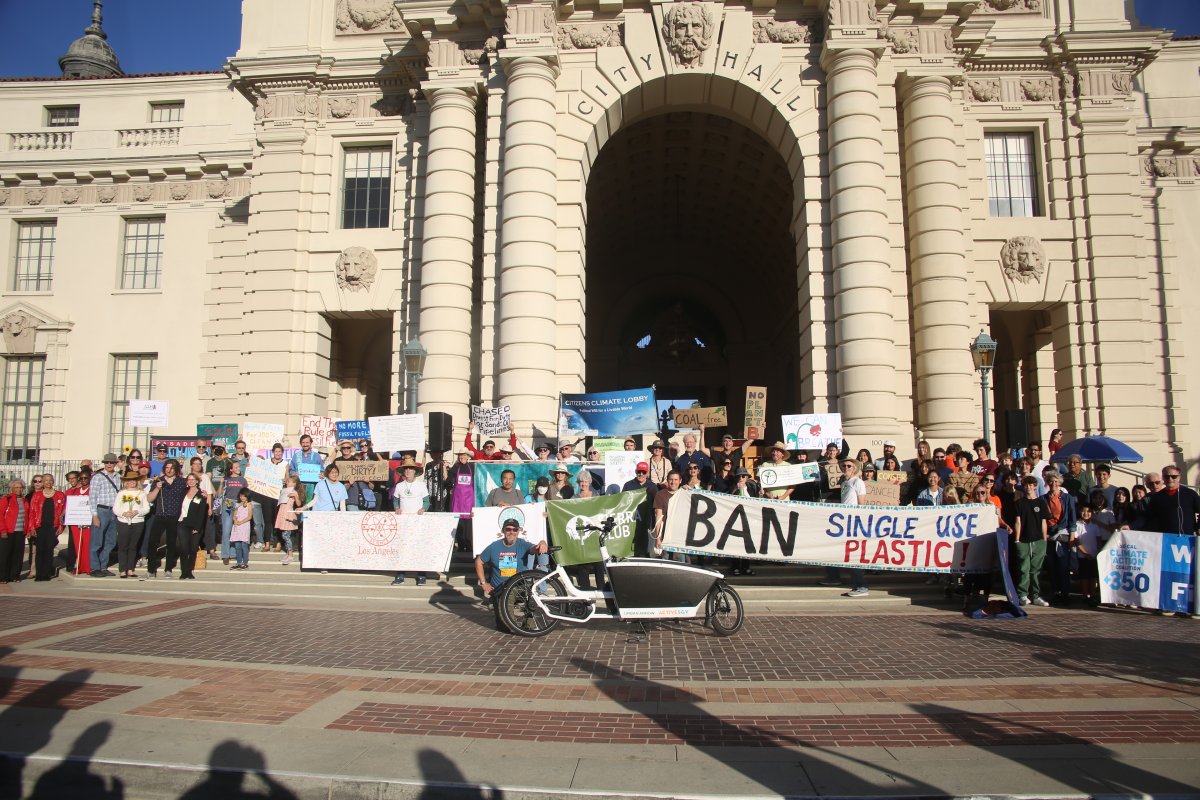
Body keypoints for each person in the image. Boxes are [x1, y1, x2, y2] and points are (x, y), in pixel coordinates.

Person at [475, 518, 549, 631]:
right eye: (508, 529)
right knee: (503, 627)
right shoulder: (494, 547)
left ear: (518, 531)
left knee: (513, 596)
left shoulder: (522, 544)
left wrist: (542, 543)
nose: (511, 532)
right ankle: (509, 623)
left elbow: (534, 549)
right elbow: (479, 561)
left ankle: (526, 624)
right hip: (499, 588)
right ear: (503, 530)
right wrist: (484, 583)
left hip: (519, 585)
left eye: (515, 529)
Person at [391, 458, 431, 586]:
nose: (408, 471)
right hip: (403, 522)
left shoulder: (421, 485)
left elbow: (427, 501)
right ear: (403, 471)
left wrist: (423, 508)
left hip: (417, 522)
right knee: (402, 548)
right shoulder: (399, 486)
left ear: (415, 471)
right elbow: (395, 500)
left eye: (410, 468)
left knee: (418, 548)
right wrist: (396, 508)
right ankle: (400, 574)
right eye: (406, 469)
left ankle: (421, 575)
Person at [146, 459, 188, 578]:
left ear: (176, 470)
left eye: (172, 468)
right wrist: (157, 488)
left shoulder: (181, 482)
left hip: (174, 516)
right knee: (152, 542)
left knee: (171, 543)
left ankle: (168, 568)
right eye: (167, 468)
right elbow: (149, 499)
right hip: (160, 515)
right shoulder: (158, 481)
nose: (169, 470)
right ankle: (151, 569)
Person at [1013, 475, 1050, 607]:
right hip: (1023, 540)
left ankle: (1036, 595)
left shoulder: (1041, 502)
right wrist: (1017, 540)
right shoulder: (1019, 503)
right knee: (1024, 569)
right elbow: (1018, 522)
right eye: (1026, 485)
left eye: (1031, 485)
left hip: (1038, 540)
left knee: (1036, 570)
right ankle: (1022, 594)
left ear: (1035, 486)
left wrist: (1044, 540)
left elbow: (1044, 522)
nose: (1028, 488)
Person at [838, 459, 869, 597]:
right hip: (844, 521)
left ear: (854, 468)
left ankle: (861, 585)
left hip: (854, 522)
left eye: (849, 466)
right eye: (844, 466)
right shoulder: (844, 482)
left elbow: (861, 503)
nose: (846, 468)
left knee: (853, 554)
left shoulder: (858, 482)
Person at [88, 454, 122, 576]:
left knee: (111, 541)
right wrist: (94, 515)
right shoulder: (98, 477)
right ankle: (94, 567)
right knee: (97, 541)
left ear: (115, 464)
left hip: (114, 511)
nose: (109, 464)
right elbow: (92, 497)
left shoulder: (118, 477)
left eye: (111, 462)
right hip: (101, 510)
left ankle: (103, 566)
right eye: (107, 462)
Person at [28, 474, 65, 582]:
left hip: (53, 527)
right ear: (43, 482)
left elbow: (63, 513)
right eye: (46, 480)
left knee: (49, 550)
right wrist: (32, 527)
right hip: (40, 526)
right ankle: (39, 574)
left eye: (50, 480)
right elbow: (32, 513)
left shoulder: (60, 495)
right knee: (40, 550)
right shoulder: (37, 495)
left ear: (53, 482)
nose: (48, 482)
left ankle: (46, 573)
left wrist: (61, 526)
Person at [113, 470, 149, 580]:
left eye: (134, 480)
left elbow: (146, 508)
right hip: (123, 522)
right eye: (129, 480)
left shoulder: (142, 493)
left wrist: (137, 512)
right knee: (123, 546)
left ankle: (130, 569)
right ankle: (122, 569)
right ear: (126, 482)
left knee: (133, 547)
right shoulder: (121, 493)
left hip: (137, 522)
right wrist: (123, 513)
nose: (132, 482)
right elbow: (115, 508)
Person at [1144, 464, 1200, 534]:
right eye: (1166, 477)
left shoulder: (1190, 494)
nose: (1170, 479)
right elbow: (1148, 518)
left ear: (1179, 478)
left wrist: (1198, 526)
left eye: (1174, 477)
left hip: (1186, 538)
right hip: (1165, 539)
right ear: (1163, 478)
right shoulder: (1157, 497)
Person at [176, 473, 209, 581]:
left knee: (193, 549)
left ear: (197, 481)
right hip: (182, 523)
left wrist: (197, 527)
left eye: (193, 479)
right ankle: (184, 571)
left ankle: (189, 571)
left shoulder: (201, 494)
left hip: (195, 525)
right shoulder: (183, 492)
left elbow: (201, 512)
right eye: (189, 479)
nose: (190, 481)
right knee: (184, 548)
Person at [217, 459, 247, 565]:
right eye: (236, 467)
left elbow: (246, 494)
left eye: (239, 467)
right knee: (226, 530)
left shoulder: (243, 480)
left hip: (238, 505)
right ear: (231, 469)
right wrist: (221, 484)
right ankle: (225, 554)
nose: (239, 469)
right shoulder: (226, 479)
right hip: (228, 504)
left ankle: (234, 553)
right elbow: (219, 495)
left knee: (236, 529)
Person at [0, 479, 28, 583]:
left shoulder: (24, 500)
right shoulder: (5, 499)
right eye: (16, 487)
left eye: (20, 487)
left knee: (18, 555)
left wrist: (27, 530)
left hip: (20, 532)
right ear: (11, 488)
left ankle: (15, 576)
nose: (19, 489)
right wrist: (3, 530)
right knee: (5, 555)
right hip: (8, 532)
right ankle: (3, 577)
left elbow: (27, 516)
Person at [652, 470, 683, 560]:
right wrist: (658, 537)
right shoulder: (660, 495)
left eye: (676, 479)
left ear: (680, 481)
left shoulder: (685, 494)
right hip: (666, 535)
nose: (673, 482)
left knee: (682, 563)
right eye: (671, 479)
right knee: (666, 561)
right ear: (667, 480)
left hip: (680, 536)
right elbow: (658, 517)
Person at [274, 474, 303, 566]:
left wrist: (295, 496)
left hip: (288, 514)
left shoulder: (294, 492)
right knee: (284, 534)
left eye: (289, 481)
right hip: (282, 513)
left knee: (286, 535)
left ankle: (291, 554)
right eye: (287, 481)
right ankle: (288, 553)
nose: (287, 482)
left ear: (294, 484)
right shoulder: (284, 491)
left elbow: (298, 504)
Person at [230, 489, 254, 570]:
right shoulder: (237, 504)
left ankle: (245, 562)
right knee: (237, 546)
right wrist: (235, 520)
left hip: (244, 526)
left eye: (244, 496)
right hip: (237, 526)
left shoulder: (249, 504)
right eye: (241, 496)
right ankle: (239, 562)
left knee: (244, 545)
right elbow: (235, 514)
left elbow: (249, 516)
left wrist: (241, 522)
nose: (242, 497)